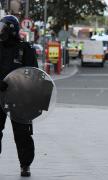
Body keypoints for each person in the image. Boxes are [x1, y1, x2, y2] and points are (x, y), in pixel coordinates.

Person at [0, 15, 38, 177]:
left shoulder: (25, 49)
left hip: (19, 99)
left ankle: (25, 165)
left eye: (3, 27)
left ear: (11, 29)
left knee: (23, 134)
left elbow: (34, 74)